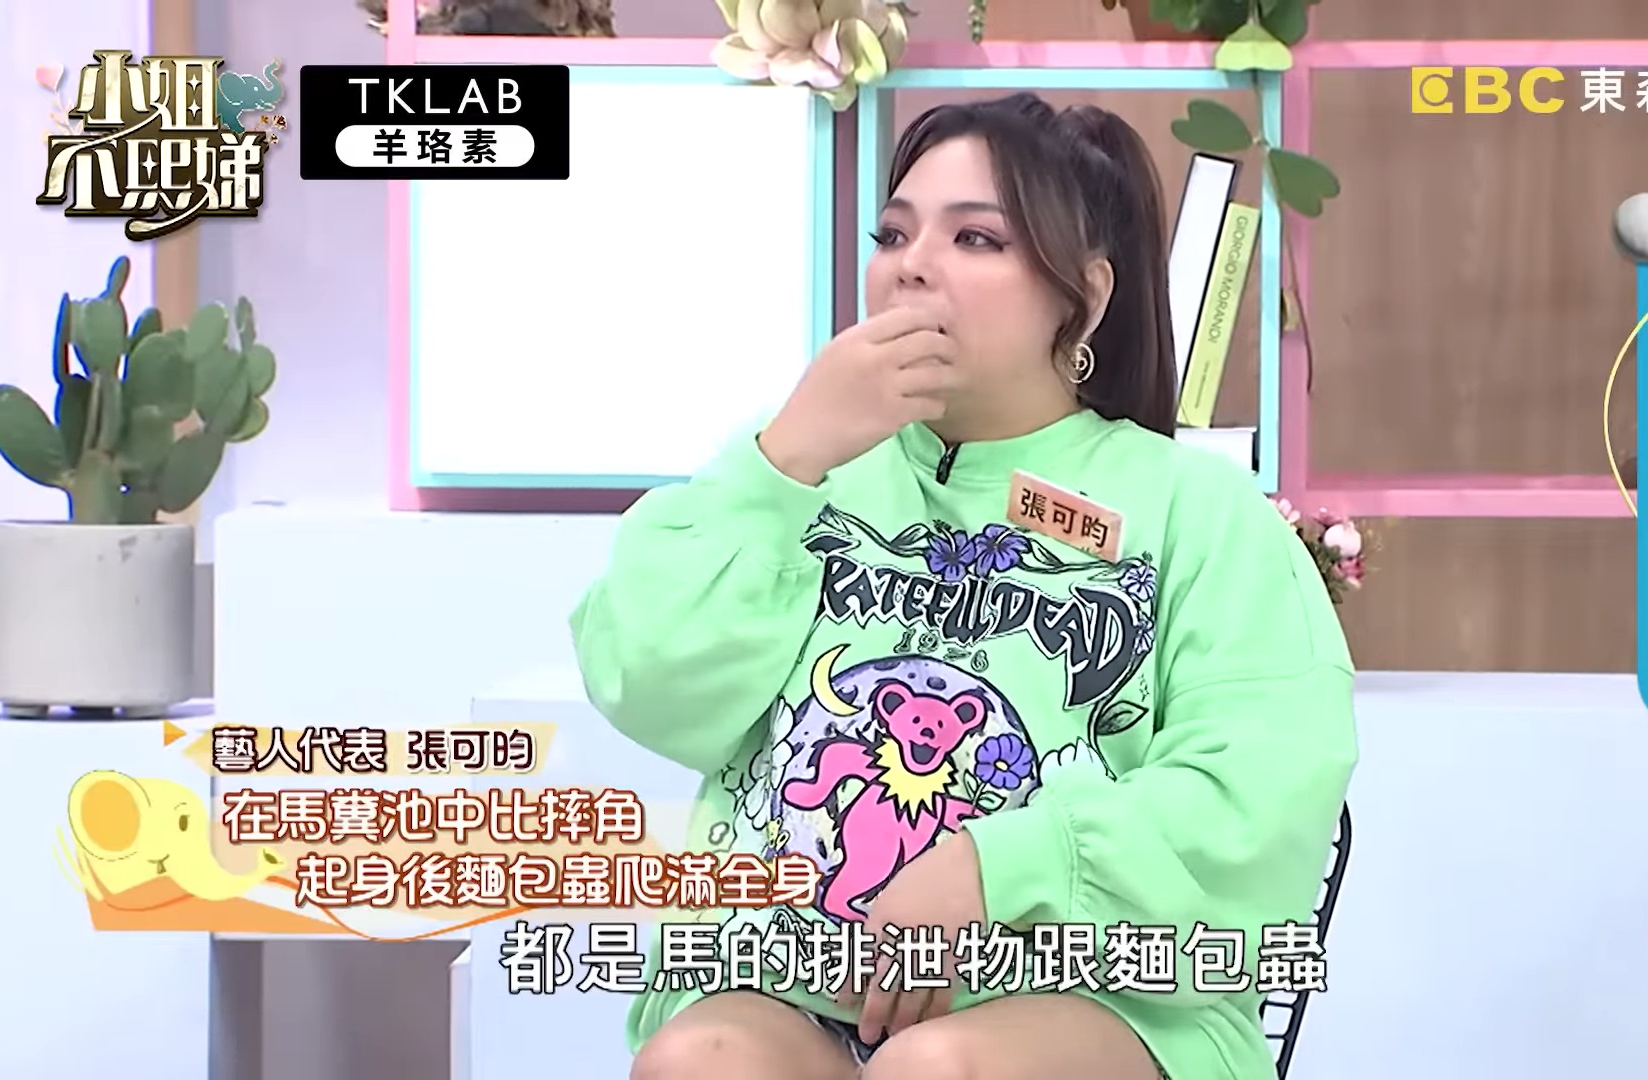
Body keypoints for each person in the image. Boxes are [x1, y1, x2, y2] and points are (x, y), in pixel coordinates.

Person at [570, 92, 1356, 1080]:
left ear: (1084, 299)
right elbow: (645, 680)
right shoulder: (799, 471)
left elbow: (1259, 796)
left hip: (1096, 1002)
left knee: (935, 1072)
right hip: (785, 982)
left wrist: (999, 868)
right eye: (893, 234)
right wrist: (785, 458)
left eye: (976, 237)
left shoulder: (1198, 510)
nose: (912, 264)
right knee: (703, 1060)